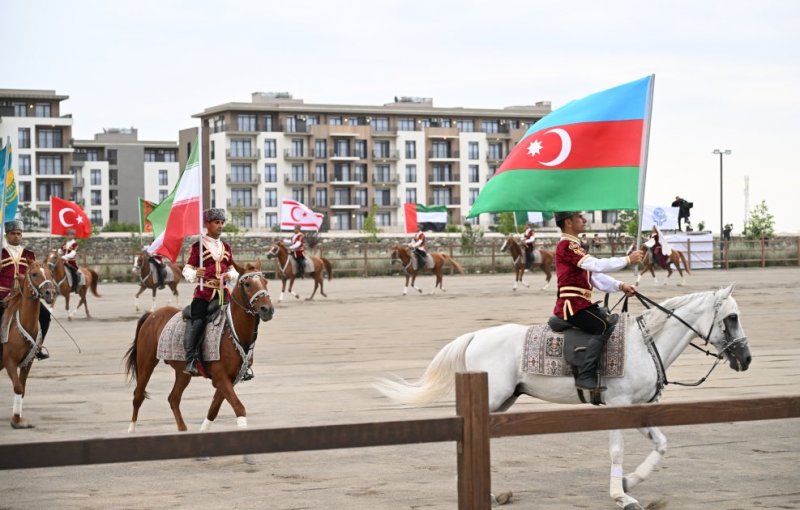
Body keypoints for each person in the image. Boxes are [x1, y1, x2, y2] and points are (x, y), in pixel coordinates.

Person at [553, 211, 642, 390]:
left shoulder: (575, 246)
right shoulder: (567, 245)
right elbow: (597, 265)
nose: (584, 220)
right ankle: (586, 375)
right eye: (580, 217)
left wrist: (621, 285)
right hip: (573, 305)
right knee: (603, 325)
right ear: (569, 222)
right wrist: (627, 259)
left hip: (581, 303)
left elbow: (595, 276)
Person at [181, 208, 239, 377]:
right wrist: (194, 274)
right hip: (203, 293)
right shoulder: (198, 246)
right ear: (207, 224)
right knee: (197, 322)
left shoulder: (226, 247)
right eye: (216, 223)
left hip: (223, 293)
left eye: (222, 223)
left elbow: (233, 269)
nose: (220, 226)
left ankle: (241, 358)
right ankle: (190, 359)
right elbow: (187, 268)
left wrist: (231, 275)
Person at [0, 220, 51, 361]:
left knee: (46, 317)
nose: (16, 236)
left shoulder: (29, 254)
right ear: (7, 235)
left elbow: (34, 275)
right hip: (3, 294)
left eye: (19, 234)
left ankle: (38, 347)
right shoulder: (1, 252)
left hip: (24, 295)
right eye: (13, 234)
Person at [58, 228, 81, 293]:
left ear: (74, 235)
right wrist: (55, 252)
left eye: (71, 235)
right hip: (63, 262)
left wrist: (63, 257)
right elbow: (60, 251)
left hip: (71, 263)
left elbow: (72, 254)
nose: (69, 236)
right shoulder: (65, 244)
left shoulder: (75, 244)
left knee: (74, 273)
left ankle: (75, 286)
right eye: (68, 234)